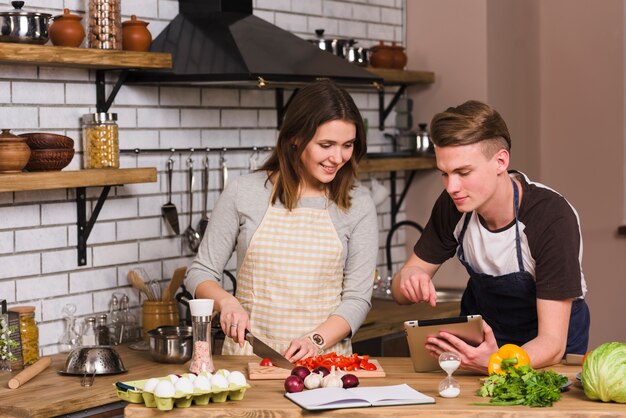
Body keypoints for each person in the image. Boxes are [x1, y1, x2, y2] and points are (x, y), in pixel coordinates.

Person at [185, 80, 378, 363]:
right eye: (326, 145)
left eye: (347, 145)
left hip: (324, 365)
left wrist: (315, 340)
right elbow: (199, 273)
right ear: (295, 138)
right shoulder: (245, 192)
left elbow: (357, 299)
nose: (337, 158)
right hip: (247, 360)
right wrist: (227, 302)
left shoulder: (358, 204)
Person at [391, 100, 590, 374]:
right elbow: (400, 291)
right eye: (444, 174)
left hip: (548, 358)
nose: (451, 187)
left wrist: (496, 363)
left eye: (463, 172)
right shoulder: (454, 206)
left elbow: (552, 342)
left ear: (500, 161)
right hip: (483, 348)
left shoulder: (551, 218)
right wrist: (410, 277)